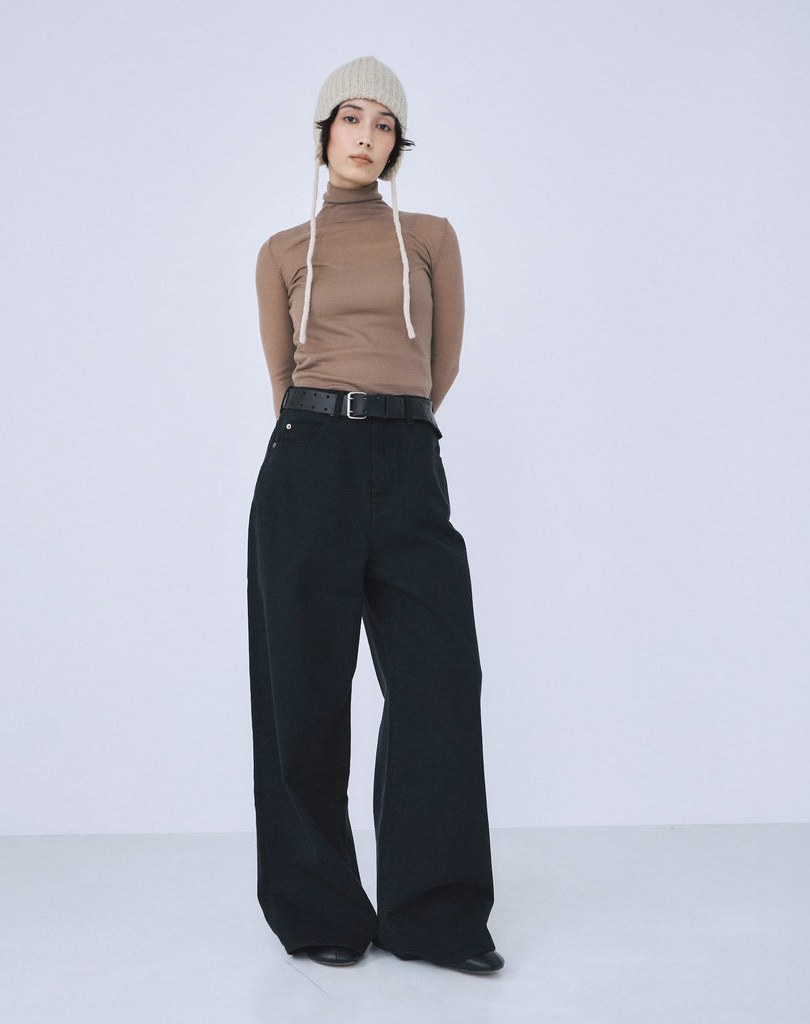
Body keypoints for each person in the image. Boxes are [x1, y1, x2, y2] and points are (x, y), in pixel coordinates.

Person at [248, 56, 503, 975]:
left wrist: (393, 427)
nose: (366, 136)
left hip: (407, 459)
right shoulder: (283, 250)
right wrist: (332, 432)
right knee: (303, 691)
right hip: (307, 458)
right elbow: (281, 376)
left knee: (440, 683)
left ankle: (434, 916)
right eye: (351, 118)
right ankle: (319, 911)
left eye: (384, 124)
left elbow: (443, 363)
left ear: (398, 145)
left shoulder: (429, 237)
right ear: (324, 134)